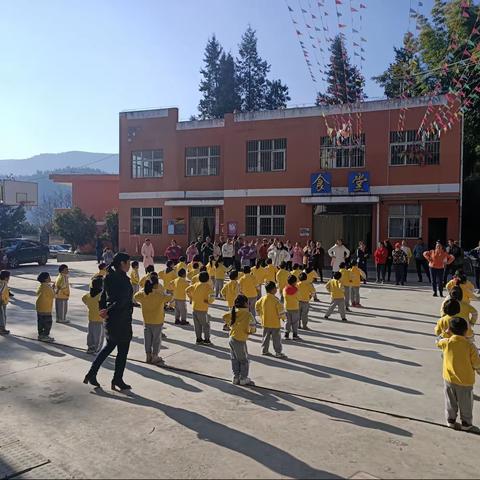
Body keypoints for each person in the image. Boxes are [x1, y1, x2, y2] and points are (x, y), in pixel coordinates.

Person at [83, 252, 134, 391]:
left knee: (108, 347)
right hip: (121, 319)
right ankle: (117, 379)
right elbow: (122, 300)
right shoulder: (121, 279)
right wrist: (107, 310)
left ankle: (92, 373)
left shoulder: (109, 277)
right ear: (122, 263)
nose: (129, 265)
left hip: (112, 319)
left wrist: (103, 310)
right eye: (128, 263)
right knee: (122, 351)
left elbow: (103, 297)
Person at [437, 317, 480, 432]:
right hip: (465, 381)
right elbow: (476, 363)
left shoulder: (446, 343)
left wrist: (444, 334)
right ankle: (466, 423)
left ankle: (450, 420)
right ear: (466, 331)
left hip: (449, 379)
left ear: (449, 330)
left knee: (450, 401)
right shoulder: (470, 346)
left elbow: (437, 341)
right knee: (466, 403)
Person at [134, 276, 172, 366]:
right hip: (157, 320)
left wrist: (144, 289)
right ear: (155, 285)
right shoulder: (159, 295)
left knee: (147, 339)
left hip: (147, 320)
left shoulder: (143, 294)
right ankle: (155, 356)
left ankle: (148, 355)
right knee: (156, 339)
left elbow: (135, 296)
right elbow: (169, 298)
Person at [223, 294, 256, 386]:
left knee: (234, 359)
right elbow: (252, 325)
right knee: (244, 360)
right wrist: (251, 332)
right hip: (240, 340)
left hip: (232, 338)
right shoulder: (248, 314)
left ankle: (236, 377)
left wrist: (230, 324)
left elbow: (224, 316)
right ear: (245, 303)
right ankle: (243, 378)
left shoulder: (233, 311)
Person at [256, 281, 287, 358]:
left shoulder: (262, 299)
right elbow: (281, 311)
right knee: (276, 339)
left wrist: (261, 315)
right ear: (273, 290)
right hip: (275, 323)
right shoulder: (276, 300)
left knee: (265, 337)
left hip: (265, 322)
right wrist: (284, 318)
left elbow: (257, 306)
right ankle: (278, 352)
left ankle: (264, 350)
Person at [185, 271, 215, 345]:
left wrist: (191, 298)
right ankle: (207, 339)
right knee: (206, 325)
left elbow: (187, 290)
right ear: (208, 279)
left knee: (197, 325)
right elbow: (212, 297)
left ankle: (198, 339)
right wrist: (208, 301)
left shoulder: (195, 284)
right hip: (203, 309)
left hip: (195, 308)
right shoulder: (208, 287)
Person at [82, 276, 105, 354]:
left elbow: (83, 298)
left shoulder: (89, 295)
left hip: (91, 318)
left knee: (91, 334)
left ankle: (90, 347)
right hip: (100, 319)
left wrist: (89, 305)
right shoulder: (101, 296)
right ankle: (97, 350)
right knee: (99, 335)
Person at [36, 272, 55, 342]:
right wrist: (54, 289)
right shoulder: (47, 287)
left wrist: (51, 287)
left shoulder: (41, 286)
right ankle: (45, 335)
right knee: (48, 322)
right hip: (46, 308)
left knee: (40, 322)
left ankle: (40, 335)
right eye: (49, 277)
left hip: (39, 306)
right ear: (45, 279)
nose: (50, 278)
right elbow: (53, 295)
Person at [284, 274, 301, 340]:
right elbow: (299, 298)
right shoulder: (296, 290)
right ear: (294, 282)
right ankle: (295, 335)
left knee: (287, 322)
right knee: (295, 322)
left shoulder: (285, 289)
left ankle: (286, 334)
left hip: (287, 308)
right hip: (295, 308)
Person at [0, 270, 11, 335]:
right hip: (2, 302)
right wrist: (1, 300)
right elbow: (0, 292)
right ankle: (2, 329)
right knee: (2, 316)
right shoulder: (3, 283)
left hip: (3, 301)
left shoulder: (2, 282)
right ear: (6, 277)